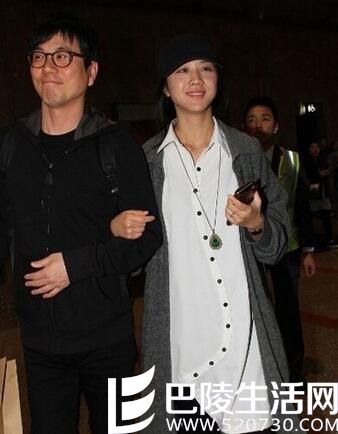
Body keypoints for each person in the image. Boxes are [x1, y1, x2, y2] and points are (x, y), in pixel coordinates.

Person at [0, 15, 162, 434]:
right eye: (39, 57)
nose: (48, 67)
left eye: (62, 56)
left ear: (91, 72)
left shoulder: (116, 146)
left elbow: (147, 238)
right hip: (41, 343)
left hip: (108, 338)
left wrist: (75, 265)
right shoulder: (9, 145)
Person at [111, 34, 299, 433]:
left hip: (246, 347)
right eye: (182, 70)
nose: (196, 79)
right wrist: (119, 231)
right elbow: (130, 264)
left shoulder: (245, 152)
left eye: (206, 68)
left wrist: (256, 224)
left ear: (217, 80)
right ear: (165, 87)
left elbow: (277, 245)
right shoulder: (147, 162)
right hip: (182, 346)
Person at [243, 96, 316, 384]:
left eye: (265, 119)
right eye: (251, 119)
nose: (257, 125)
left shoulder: (292, 160)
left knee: (288, 310)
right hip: (251, 247)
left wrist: (309, 249)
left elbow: (302, 207)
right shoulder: (239, 160)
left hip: (288, 247)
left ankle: (294, 373)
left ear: (276, 126)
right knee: (256, 310)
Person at [304, 141, 336, 248]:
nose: (315, 149)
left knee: (326, 215)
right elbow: (307, 176)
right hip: (313, 193)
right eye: (312, 147)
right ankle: (314, 240)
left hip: (324, 192)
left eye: (317, 147)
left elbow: (329, 172)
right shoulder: (306, 162)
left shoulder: (324, 160)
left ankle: (329, 239)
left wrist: (325, 173)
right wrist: (318, 174)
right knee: (312, 217)